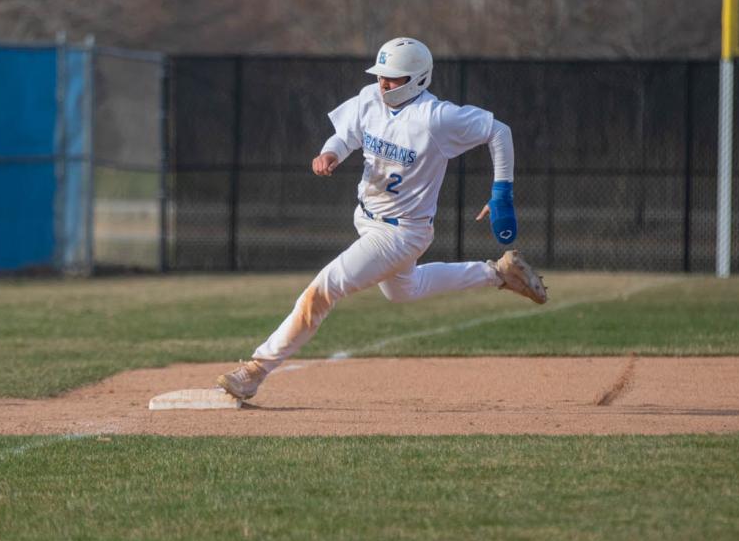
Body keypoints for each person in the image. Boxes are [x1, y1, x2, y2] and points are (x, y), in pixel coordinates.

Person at [217, 37, 548, 401]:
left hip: (401, 233)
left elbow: (499, 131)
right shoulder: (370, 99)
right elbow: (346, 136)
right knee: (405, 290)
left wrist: (502, 193)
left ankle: (255, 369)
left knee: (324, 288)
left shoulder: (435, 117)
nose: (383, 83)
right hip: (368, 219)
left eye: (393, 78)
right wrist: (331, 153)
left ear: (419, 79)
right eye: (381, 75)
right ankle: (498, 273)